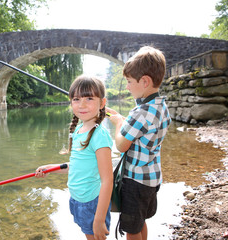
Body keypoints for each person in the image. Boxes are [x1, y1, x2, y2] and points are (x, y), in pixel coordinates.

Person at [35, 75, 114, 240]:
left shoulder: (100, 136)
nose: (82, 104)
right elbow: (77, 166)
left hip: (92, 202)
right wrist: (51, 168)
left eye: (89, 98)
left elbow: (107, 180)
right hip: (77, 199)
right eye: (77, 99)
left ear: (102, 103)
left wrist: (99, 219)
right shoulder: (79, 129)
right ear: (71, 102)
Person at [106, 46, 171, 240]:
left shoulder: (140, 114)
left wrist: (118, 123)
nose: (127, 86)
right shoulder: (160, 106)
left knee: (132, 229)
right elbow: (142, 129)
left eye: (129, 82)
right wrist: (124, 120)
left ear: (144, 81)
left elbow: (121, 145)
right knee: (140, 221)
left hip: (135, 182)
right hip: (152, 179)